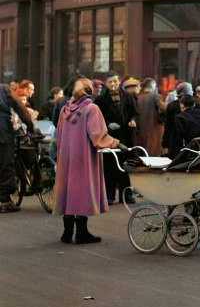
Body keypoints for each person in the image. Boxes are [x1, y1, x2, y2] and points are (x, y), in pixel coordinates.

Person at [54, 77, 121, 242]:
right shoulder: (91, 109)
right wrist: (115, 142)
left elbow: (59, 135)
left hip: (67, 157)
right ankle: (82, 233)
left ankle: (67, 232)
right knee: (83, 191)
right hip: (84, 157)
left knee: (69, 191)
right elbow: (98, 137)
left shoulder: (65, 110)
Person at [95, 73, 136, 204]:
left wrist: (133, 121)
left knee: (125, 166)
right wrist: (107, 125)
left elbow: (135, 113)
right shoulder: (100, 99)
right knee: (109, 167)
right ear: (106, 84)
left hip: (125, 137)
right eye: (110, 82)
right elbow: (96, 119)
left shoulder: (128, 96)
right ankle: (109, 195)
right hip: (109, 137)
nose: (113, 84)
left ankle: (127, 195)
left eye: (115, 81)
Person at [0, 82, 36, 213]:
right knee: (5, 164)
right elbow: (19, 107)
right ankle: (4, 201)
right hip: (2, 131)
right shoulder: (4, 89)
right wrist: (30, 126)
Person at [169, 93, 200, 158]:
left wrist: (173, 157)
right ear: (194, 104)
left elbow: (176, 139)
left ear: (181, 105)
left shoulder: (180, 117)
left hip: (192, 151)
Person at [135, 78, 165, 155]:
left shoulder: (137, 97)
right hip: (154, 128)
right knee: (153, 151)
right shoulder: (155, 96)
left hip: (140, 129)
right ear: (152, 86)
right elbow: (163, 108)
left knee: (142, 150)